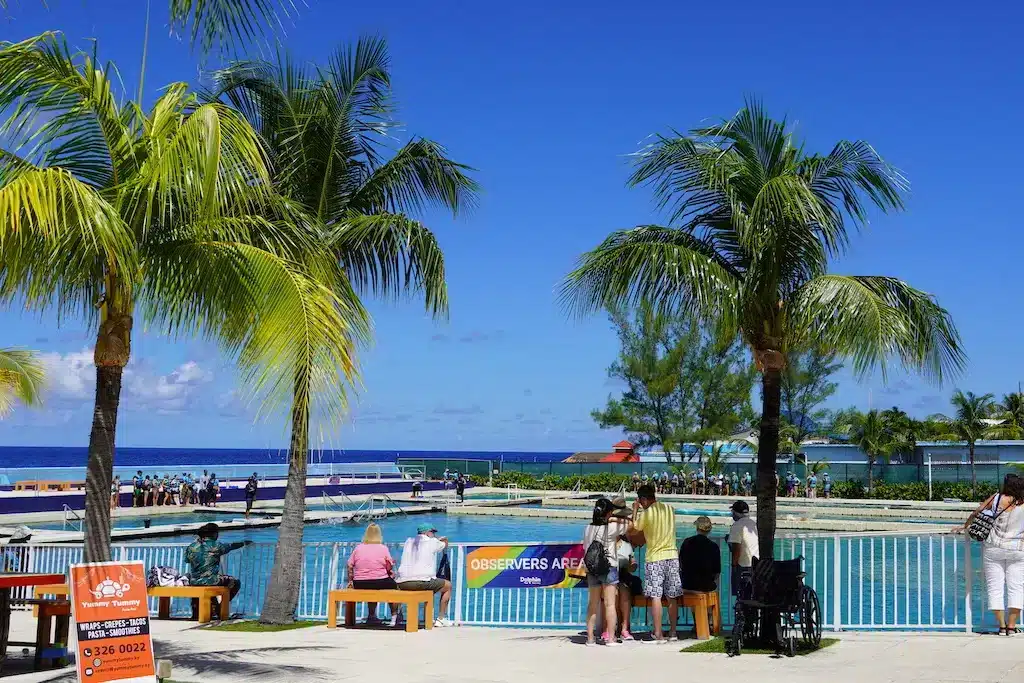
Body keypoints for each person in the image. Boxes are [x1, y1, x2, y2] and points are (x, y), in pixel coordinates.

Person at [960, 474, 1024, 635]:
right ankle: (1011, 626)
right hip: (1017, 549)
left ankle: (1002, 627)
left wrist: (965, 526)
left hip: (993, 547)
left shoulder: (996, 498)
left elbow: (978, 511)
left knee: (995, 588)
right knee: (1016, 588)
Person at [631, 484, 680, 642]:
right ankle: (673, 632)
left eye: (641, 500)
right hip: (672, 556)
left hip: (654, 558)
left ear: (644, 499)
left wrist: (635, 510)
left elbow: (635, 527)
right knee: (672, 596)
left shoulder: (646, 513)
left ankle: (658, 633)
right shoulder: (669, 509)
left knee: (656, 596)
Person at [582, 498, 628, 646]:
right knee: (610, 604)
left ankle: (590, 638)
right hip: (609, 567)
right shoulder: (612, 527)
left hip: (592, 569)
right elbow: (632, 524)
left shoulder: (588, 528)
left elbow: (585, 547)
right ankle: (611, 638)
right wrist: (617, 516)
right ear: (609, 513)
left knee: (593, 604)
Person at [184, 523, 251, 619]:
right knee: (235, 582)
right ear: (214, 534)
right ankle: (220, 608)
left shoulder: (192, 546)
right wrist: (244, 543)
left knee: (207, 589)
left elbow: (186, 560)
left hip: (194, 581)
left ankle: (206, 610)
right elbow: (231, 546)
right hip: (211, 580)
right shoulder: (216, 545)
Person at [396, 523, 453, 627]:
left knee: (425, 585)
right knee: (448, 586)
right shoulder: (432, 542)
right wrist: (443, 539)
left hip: (402, 582)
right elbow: (445, 543)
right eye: (433, 532)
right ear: (427, 532)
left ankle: (398, 617)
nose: (434, 534)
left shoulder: (409, 542)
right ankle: (441, 619)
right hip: (422, 581)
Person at [346, 523, 401, 625]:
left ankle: (371, 616)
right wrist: (389, 572)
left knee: (371, 587)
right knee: (394, 587)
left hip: (360, 582)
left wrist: (350, 580)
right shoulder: (383, 548)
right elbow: (389, 565)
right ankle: (394, 616)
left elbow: (349, 565)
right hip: (379, 580)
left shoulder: (358, 548)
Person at [679, 516, 721, 632]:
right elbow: (717, 571)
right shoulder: (713, 546)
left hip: (688, 584)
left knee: (694, 592)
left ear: (697, 527)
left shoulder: (687, 543)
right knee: (708, 590)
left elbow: (681, 564)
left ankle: (698, 623)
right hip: (705, 584)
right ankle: (706, 623)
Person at [727, 500, 759, 596]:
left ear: (736, 513)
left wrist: (734, 565)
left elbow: (737, 548)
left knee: (741, 594)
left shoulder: (736, 526)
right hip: (756, 564)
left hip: (743, 566)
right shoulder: (754, 524)